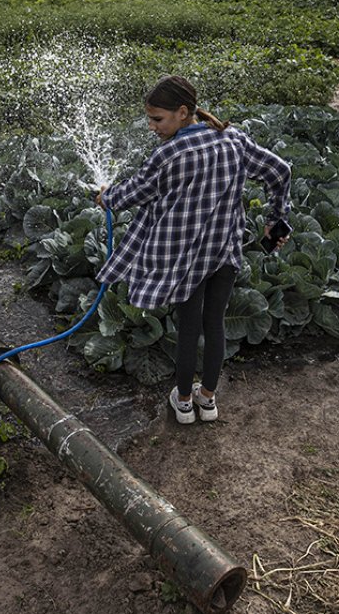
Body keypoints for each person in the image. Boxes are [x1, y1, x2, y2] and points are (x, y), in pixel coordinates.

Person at [95, 75, 292, 425]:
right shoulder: (233, 140)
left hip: (187, 260)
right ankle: (208, 400)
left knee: (189, 329)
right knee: (214, 325)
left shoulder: (169, 154)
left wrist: (105, 196)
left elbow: (130, 195)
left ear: (183, 112)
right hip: (225, 253)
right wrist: (275, 220)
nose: (153, 127)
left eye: (157, 119)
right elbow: (281, 170)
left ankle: (183, 401)